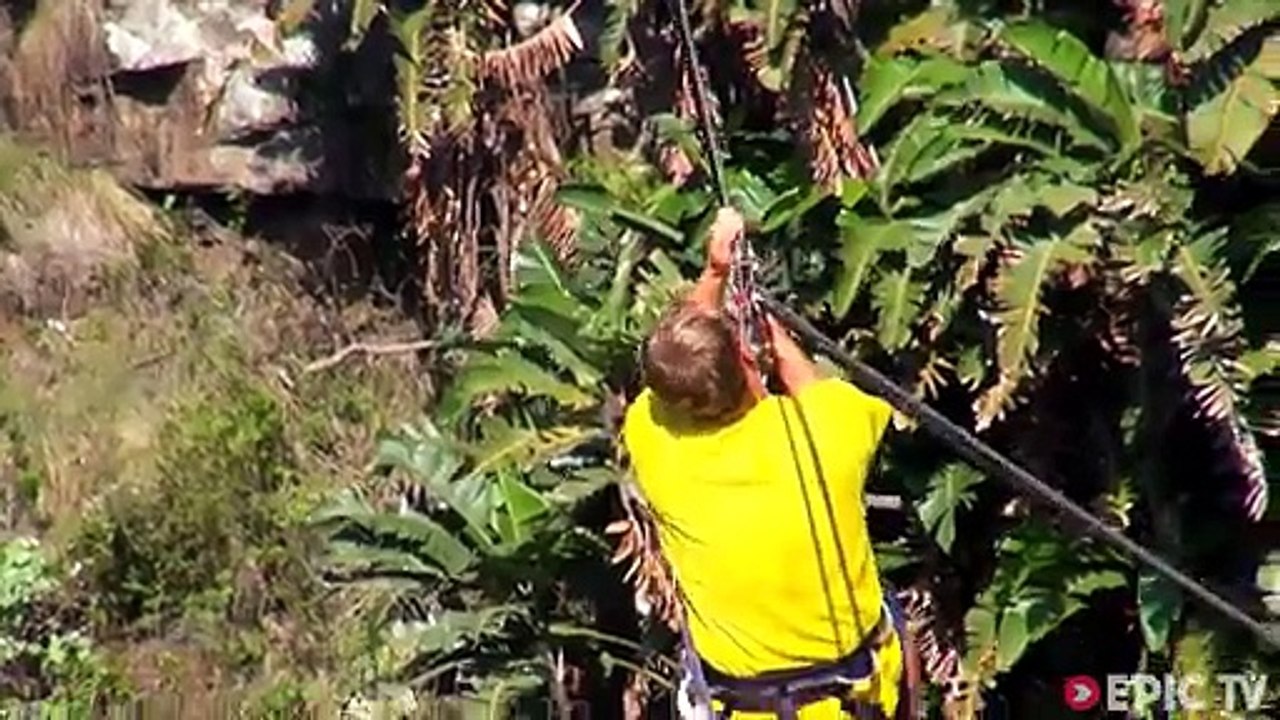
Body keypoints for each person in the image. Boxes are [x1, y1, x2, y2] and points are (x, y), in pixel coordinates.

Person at [621, 207, 920, 720]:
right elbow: (817, 390)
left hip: (743, 707)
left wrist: (715, 275)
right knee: (889, 611)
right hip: (852, 701)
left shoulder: (655, 442)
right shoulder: (823, 433)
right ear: (743, 359)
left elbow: (674, 372)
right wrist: (777, 340)